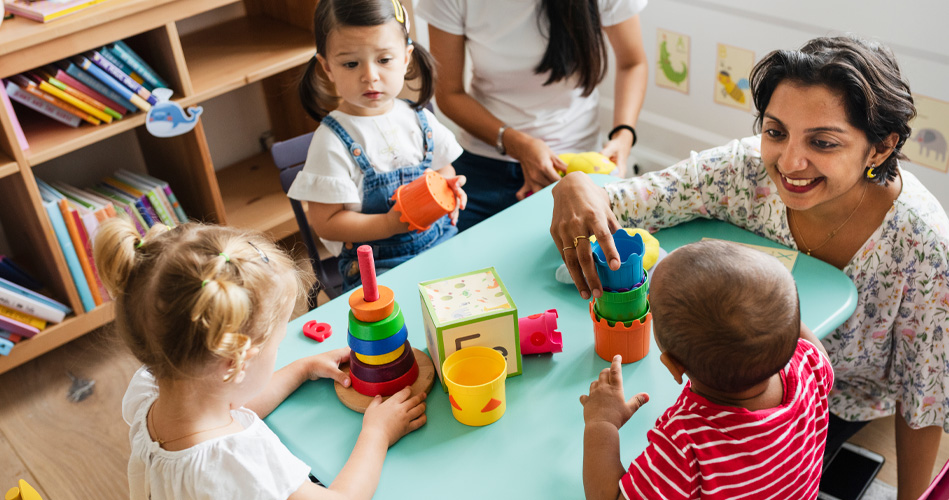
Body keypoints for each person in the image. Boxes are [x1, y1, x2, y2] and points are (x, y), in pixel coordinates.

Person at [553, 35, 949, 500]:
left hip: (836, 402)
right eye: (776, 131)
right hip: (743, 380)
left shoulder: (924, 245)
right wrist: (577, 186)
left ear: (880, 149)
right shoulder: (741, 172)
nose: (789, 162)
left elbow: (926, 396)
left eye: (822, 142)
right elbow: (626, 202)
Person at [94, 219, 428, 500]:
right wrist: (377, 434)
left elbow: (230, 409)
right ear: (235, 364)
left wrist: (302, 368)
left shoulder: (152, 391)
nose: (280, 351)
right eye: (278, 344)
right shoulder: (240, 463)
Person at [581, 240, 833, 499]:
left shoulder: (685, 446)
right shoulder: (810, 365)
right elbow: (802, 338)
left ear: (674, 366)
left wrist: (602, 423)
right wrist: (769, 310)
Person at [418, 0, 649, 231]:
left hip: (576, 165)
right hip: (485, 162)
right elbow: (449, 93)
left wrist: (624, 136)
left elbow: (632, 63)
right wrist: (517, 144)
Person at [290, 0, 467, 291]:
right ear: (327, 67)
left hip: (441, 242)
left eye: (384, 60)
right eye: (350, 63)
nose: (370, 75)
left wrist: (450, 189)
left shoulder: (419, 118)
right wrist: (387, 224)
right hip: (378, 268)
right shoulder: (332, 140)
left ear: (406, 57)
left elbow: (443, 169)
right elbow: (327, 222)